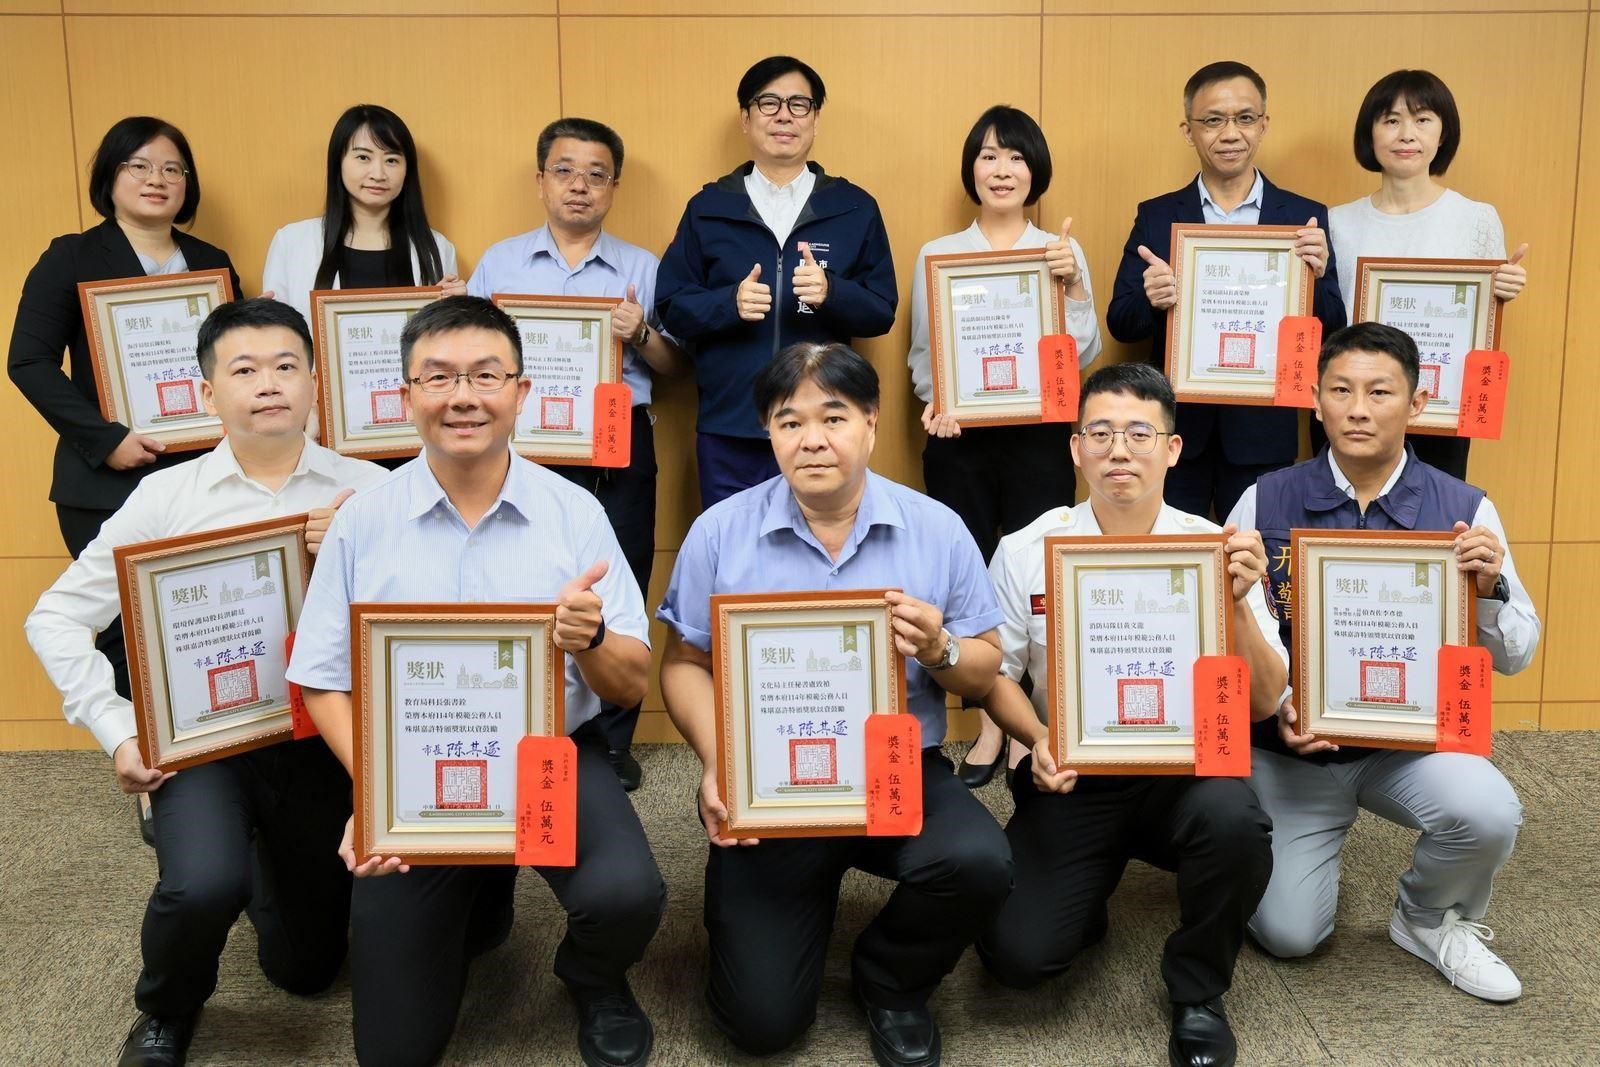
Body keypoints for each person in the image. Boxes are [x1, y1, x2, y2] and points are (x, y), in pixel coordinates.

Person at [287, 296, 665, 1067]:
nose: (463, 396)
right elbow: (322, 680)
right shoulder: (363, 520)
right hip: (414, 775)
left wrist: (589, 638)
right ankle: (479, 896)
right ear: (407, 396)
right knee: (393, 1053)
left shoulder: (575, 514)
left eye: (486, 375)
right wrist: (377, 793)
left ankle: (592, 974)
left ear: (520, 393)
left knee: (627, 893)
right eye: (439, 377)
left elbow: (630, 684)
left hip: (549, 758)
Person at [24, 298, 386, 1067]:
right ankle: (167, 1007)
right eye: (244, 369)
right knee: (200, 885)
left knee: (306, 970)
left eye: (286, 365)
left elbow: (424, 622)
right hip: (203, 744)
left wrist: (360, 553)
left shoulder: (372, 491)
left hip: (321, 739)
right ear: (205, 393)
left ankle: (255, 854)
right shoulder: (167, 497)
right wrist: (119, 729)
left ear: (316, 381)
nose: (269, 383)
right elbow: (53, 617)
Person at [657, 341, 1013, 1067]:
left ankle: (890, 978)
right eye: (790, 422)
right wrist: (718, 760)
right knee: (760, 1025)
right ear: (768, 432)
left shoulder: (936, 528)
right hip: (769, 787)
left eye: (834, 416)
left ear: (872, 422)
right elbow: (685, 664)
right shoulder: (719, 531)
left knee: (979, 861)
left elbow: (985, 667)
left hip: (896, 773)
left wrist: (939, 647)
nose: (812, 439)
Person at [975, 362, 1282, 1067]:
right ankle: (1085, 902)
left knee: (1237, 824)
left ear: (1172, 449)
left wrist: (1238, 603)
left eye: (1140, 433)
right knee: (1016, 957)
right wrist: (1037, 736)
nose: (1119, 450)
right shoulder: (1026, 549)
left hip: (1188, 776)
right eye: (1101, 433)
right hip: (1073, 776)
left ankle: (1198, 992)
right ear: (1075, 447)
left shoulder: (1217, 547)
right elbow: (996, 676)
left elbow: (1265, 701)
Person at [1226, 321, 1539, 1002]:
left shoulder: (1465, 509)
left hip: (1408, 749)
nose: (1358, 409)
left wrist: (1491, 591)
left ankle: (1427, 916)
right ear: (1316, 401)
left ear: (1416, 403)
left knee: (1489, 811)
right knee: (1289, 934)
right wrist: (1281, 711)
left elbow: (1517, 652)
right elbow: (1235, 633)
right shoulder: (1264, 498)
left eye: (1379, 392)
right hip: (1293, 752)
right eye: (1341, 390)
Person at [10, 115, 241, 842]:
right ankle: (148, 768)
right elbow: (28, 361)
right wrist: (106, 439)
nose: (156, 180)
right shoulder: (72, 256)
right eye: (138, 166)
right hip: (105, 479)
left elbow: (236, 361)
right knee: (122, 633)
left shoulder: (212, 262)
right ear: (109, 177)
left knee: (199, 621)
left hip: (201, 473)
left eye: (172, 168)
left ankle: (213, 761)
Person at [468, 116, 687, 792]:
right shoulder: (499, 263)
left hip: (619, 444)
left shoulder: (642, 267)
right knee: (517, 578)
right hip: (519, 447)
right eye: (564, 171)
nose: (579, 186)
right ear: (541, 181)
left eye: (596, 175)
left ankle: (613, 742)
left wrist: (641, 332)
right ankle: (523, 722)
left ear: (613, 187)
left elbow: (676, 366)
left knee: (618, 580)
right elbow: (468, 354)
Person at [906, 104, 1102, 790]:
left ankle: (1018, 724)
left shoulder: (1060, 249)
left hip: (1041, 436)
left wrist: (1074, 285)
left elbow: (1081, 352)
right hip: (960, 439)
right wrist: (938, 402)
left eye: (1016, 156)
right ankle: (987, 712)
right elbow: (925, 354)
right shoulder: (937, 253)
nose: (1002, 169)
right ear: (972, 169)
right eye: (988, 155)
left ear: (1034, 170)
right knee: (967, 571)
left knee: (1033, 575)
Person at [1107, 61, 1346, 523]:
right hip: (1178, 435)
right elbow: (1121, 321)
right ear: (1189, 130)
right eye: (1214, 120)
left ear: (1264, 125)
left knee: (1259, 558)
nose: (1231, 133)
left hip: (1264, 433)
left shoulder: (1303, 216)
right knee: (1176, 556)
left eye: (1245, 118)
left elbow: (1334, 327)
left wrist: (1315, 279)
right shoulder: (1157, 215)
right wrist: (1152, 300)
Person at [656, 55, 898, 508]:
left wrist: (832, 292)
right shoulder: (708, 208)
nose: (784, 115)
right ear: (746, 119)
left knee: (823, 542)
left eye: (798, 104)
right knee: (733, 545)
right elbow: (671, 306)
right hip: (732, 424)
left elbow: (881, 310)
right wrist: (729, 304)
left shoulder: (854, 207)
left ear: (815, 119)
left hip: (823, 426)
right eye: (768, 103)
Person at [1329, 70, 1528, 480]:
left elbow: (1482, 323)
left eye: (1422, 120)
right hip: (1355, 409)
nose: (1407, 134)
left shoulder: (1476, 218)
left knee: (1434, 513)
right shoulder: (1337, 223)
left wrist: (1503, 291)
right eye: (1391, 120)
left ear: (1443, 133)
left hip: (1443, 408)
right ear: (1370, 134)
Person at [263, 103, 463, 324]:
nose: (378, 174)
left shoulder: (437, 248)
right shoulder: (291, 242)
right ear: (338, 162)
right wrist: (260, 323)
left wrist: (459, 313)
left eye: (391, 160)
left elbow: (444, 337)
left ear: (408, 170)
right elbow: (277, 334)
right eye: (363, 157)